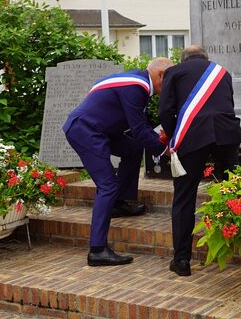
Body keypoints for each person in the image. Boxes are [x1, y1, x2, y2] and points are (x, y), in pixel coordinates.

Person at [63, 57, 173, 266]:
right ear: (161, 75)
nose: (170, 88)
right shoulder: (137, 86)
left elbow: (137, 124)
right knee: (107, 185)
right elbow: (139, 129)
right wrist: (166, 150)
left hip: (101, 129)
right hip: (86, 131)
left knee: (132, 149)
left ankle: (119, 203)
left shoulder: (136, 80)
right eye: (170, 82)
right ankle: (97, 250)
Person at [159, 45, 241, 276]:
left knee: (184, 197)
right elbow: (229, 104)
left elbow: (165, 112)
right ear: (206, 58)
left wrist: (173, 136)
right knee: (232, 191)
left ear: (182, 59)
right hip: (227, 134)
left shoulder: (173, 72)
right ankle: (240, 246)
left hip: (192, 137)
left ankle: (182, 260)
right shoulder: (222, 72)